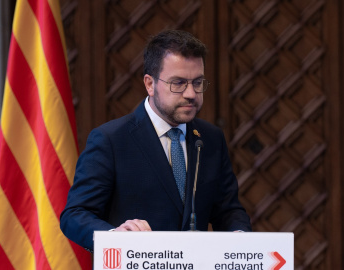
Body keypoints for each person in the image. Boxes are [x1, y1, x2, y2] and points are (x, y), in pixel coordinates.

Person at [60, 29, 251, 251]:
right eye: (178, 83)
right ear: (150, 84)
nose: (191, 93)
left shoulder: (210, 138)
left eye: (197, 83)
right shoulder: (111, 140)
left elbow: (228, 211)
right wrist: (115, 236)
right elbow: (75, 215)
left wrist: (240, 237)